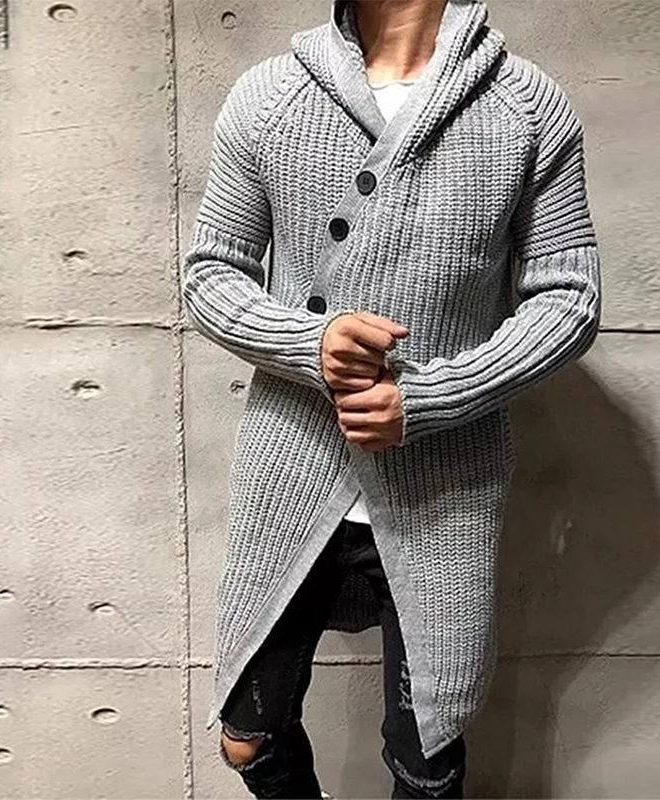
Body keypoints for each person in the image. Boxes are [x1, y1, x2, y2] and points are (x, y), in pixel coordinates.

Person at [182, 0, 602, 796]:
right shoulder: (270, 95)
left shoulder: (524, 103)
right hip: (292, 470)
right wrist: (309, 342)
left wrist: (431, 398)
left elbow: (569, 298)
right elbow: (211, 274)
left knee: (426, 762)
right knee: (247, 733)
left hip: (444, 490)